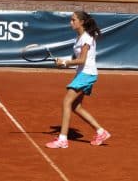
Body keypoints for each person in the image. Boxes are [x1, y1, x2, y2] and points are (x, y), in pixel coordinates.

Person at [45, 11, 111, 149]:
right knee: (76, 106)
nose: (71, 22)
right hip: (84, 73)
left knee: (66, 102)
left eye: (73, 20)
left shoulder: (86, 38)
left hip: (86, 74)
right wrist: (63, 62)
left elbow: (81, 60)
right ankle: (101, 132)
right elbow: (77, 60)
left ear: (81, 22)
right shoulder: (80, 38)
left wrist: (64, 63)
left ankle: (63, 139)